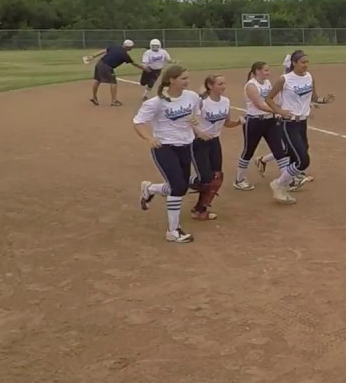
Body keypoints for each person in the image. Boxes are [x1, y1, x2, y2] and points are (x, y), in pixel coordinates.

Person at [133, 65, 206, 244]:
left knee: (179, 187)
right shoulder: (156, 102)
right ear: (171, 80)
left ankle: (150, 189)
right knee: (178, 186)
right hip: (164, 147)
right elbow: (138, 123)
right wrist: (149, 138)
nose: (187, 81)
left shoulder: (192, 97)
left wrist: (196, 124)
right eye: (183, 78)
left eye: (187, 78)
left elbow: (194, 116)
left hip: (185, 145)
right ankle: (173, 231)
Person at [265, 50, 334, 193]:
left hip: (302, 123)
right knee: (303, 159)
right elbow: (269, 98)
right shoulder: (284, 79)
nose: (306, 65)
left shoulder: (309, 77)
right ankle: (279, 183)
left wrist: (324, 100)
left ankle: (290, 181)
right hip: (288, 123)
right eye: (303, 62)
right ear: (294, 63)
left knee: (300, 151)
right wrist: (279, 111)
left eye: (307, 62)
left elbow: (313, 97)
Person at [233, 61, 298, 204]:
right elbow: (260, 105)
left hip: (270, 121)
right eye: (265, 70)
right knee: (248, 151)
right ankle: (239, 179)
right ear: (257, 71)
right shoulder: (251, 85)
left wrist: (280, 108)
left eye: (268, 70)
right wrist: (279, 111)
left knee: (279, 150)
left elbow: (272, 100)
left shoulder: (267, 83)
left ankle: (287, 180)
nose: (268, 73)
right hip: (255, 121)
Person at [187, 74, 243, 220]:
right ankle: (184, 180)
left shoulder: (225, 101)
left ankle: (200, 210)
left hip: (214, 142)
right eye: (219, 84)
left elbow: (227, 123)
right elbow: (190, 120)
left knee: (216, 178)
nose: (223, 86)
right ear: (210, 86)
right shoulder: (201, 102)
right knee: (205, 178)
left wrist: (239, 122)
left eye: (224, 83)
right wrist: (199, 133)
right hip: (199, 142)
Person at [83, 39, 146, 106]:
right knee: (113, 82)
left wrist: (93, 56)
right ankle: (114, 101)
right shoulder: (125, 55)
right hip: (107, 67)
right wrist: (144, 68)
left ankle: (94, 97)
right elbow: (135, 64)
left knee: (97, 80)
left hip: (99, 63)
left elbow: (103, 51)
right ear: (129, 47)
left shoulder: (114, 47)